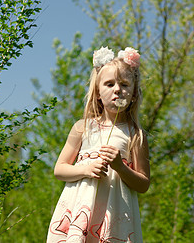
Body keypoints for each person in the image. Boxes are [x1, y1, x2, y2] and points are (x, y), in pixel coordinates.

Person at [46, 47, 150, 243]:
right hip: (81, 207)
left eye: (125, 84)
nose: (117, 89)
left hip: (115, 213)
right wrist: (86, 169)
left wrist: (120, 167)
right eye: (109, 84)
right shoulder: (82, 128)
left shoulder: (136, 135)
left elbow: (143, 183)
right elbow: (59, 169)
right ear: (98, 93)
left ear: (134, 93)